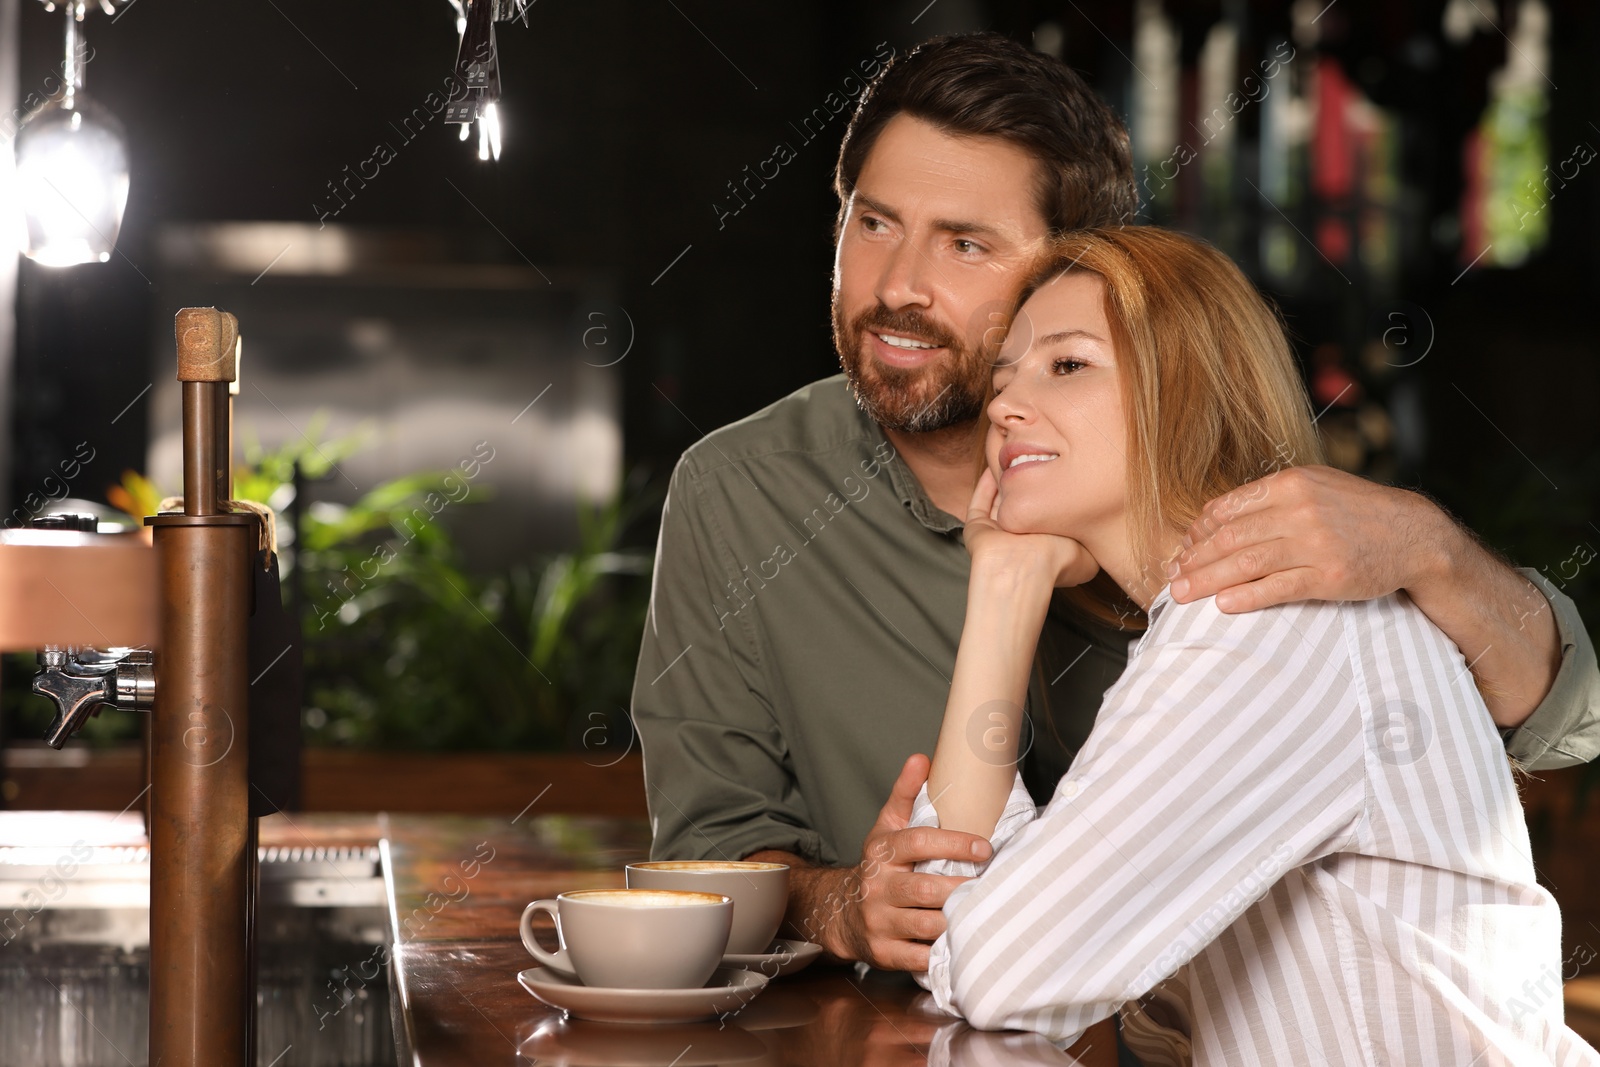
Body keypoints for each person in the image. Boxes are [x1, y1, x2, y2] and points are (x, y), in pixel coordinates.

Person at [631, 32, 1600, 975]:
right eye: (871, 222)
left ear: (1076, 264)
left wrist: (1431, 551)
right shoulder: (741, 490)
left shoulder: (1211, 481)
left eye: (965, 243)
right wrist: (839, 902)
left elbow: (1563, 721)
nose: (897, 286)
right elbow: (709, 849)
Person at [907, 225, 1599, 1065]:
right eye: (1004, 374)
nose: (1005, 404)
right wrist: (1005, 586)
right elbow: (956, 914)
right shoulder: (1212, 625)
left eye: (1067, 363)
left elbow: (998, 970)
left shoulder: (1263, 628)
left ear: (1188, 394)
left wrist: (980, 928)